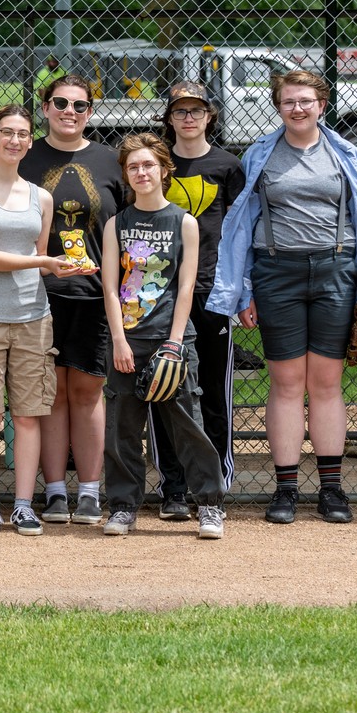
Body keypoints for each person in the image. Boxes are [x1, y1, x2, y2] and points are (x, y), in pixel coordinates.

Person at [208, 69, 357, 525]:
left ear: (322, 105)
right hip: (276, 272)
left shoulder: (346, 154)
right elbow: (242, 228)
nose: (298, 109)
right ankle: (285, 488)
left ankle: (331, 490)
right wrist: (243, 288)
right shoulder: (260, 155)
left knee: (325, 383)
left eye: (306, 100)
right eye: (289, 102)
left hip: (335, 270)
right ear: (278, 106)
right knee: (286, 384)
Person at [0, 106, 73, 536]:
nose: (15, 141)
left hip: (32, 316)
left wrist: (66, 266)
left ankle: (23, 505)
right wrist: (44, 260)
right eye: (7, 133)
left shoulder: (41, 196)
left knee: (27, 415)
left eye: (23, 134)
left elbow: (38, 265)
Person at [100, 133, 226, 540]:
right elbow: (110, 286)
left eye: (148, 165)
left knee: (187, 423)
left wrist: (174, 343)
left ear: (164, 170)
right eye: (133, 166)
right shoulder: (117, 223)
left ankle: (209, 504)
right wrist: (119, 339)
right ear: (126, 174)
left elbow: (185, 288)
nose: (141, 172)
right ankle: (122, 507)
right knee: (121, 427)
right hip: (127, 340)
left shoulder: (183, 222)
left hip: (172, 338)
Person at [18, 73, 119, 526]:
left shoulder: (110, 160)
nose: (69, 112)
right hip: (37, 291)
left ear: (90, 113)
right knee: (51, 393)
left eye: (79, 106)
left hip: (94, 292)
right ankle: (56, 490)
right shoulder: (25, 156)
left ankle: (91, 491)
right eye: (60, 103)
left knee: (88, 390)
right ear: (44, 108)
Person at [151, 82, 245, 520]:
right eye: (180, 111)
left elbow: (241, 230)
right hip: (160, 293)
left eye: (197, 111)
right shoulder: (157, 165)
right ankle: (172, 486)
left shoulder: (227, 165)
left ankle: (215, 484)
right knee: (163, 388)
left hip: (212, 291)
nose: (189, 118)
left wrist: (241, 287)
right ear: (169, 118)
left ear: (210, 116)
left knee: (211, 391)